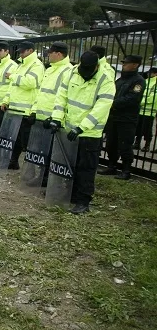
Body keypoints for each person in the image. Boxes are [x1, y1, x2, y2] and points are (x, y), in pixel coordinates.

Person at [50, 51, 115, 214]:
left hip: (89, 134)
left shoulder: (105, 79)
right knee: (70, 164)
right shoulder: (72, 73)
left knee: (86, 168)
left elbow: (102, 107)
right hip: (69, 130)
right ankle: (70, 194)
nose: (85, 73)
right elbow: (61, 96)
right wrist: (56, 118)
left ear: (97, 66)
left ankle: (83, 201)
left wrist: (82, 127)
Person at [27, 42, 73, 186]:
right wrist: (34, 110)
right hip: (41, 118)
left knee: (53, 152)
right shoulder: (50, 70)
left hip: (53, 119)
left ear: (59, 54)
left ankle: (49, 179)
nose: (47, 55)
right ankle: (42, 176)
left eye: (50, 52)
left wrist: (56, 118)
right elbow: (41, 92)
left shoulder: (68, 71)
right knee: (42, 150)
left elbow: (64, 97)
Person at [98, 55, 145, 180]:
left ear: (135, 65)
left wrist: (112, 103)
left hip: (127, 119)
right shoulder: (120, 80)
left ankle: (126, 170)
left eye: (126, 63)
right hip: (114, 117)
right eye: (123, 63)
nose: (123, 65)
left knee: (125, 144)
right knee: (111, 143)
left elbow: (132, 98)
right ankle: (112, 166)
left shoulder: (138, 81)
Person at [1, 40, 45, 169]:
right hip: (15, 109)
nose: (20, 54)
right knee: (14, 138)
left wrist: (13, 76)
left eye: (22, 51)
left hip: (26, 110)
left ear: (30, 51)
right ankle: (13, 161)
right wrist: (6, 101)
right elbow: (12, 87)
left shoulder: (36, 65)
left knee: (25, 141)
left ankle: (24, 165)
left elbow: (30, 83)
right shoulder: (21, 65)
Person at [135, 67, 157, 152]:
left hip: (149, 111)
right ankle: (137, 143)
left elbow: (153, 98)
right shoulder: (145, 81)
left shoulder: (155, 83)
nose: (148, 74)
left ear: (155, 74)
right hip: (140, 110)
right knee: (138, 127)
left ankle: (147, 145)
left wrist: (140, 102)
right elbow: (138, 92)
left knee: (147, 129)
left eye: (151, 73)